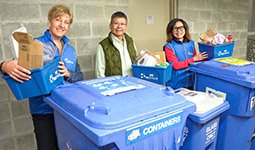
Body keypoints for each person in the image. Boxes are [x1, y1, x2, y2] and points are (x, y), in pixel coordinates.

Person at [1, 4, 83, 150]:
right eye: (58, 20)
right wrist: (5, 66)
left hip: (68, 111)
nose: (62, 25)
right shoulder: (35, 44)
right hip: (44, 111)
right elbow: (17, 67)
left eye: (66, 22)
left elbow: (79, 77)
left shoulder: (70, 50)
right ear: (49, 21)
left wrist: (69, 74)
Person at [163, 18, 207, 89]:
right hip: (176, 84)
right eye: (175, 29)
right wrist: (194, 59)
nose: (178, 31)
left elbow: (195, 61)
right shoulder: (169, 47)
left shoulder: (191, 43)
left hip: (191, 81)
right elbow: (176, 65)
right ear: (171, 31)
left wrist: (205, 56)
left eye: (181, 28)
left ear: (185, 29)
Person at [95, 11, 137, 78]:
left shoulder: (130, 41)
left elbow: (136, 62)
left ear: (126, 26)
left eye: (122, 24)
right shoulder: (103, 45)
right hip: (115, 85)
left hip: (132, 82)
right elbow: (100, 72)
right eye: (116, 23)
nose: (119, 26)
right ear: (110, 26)